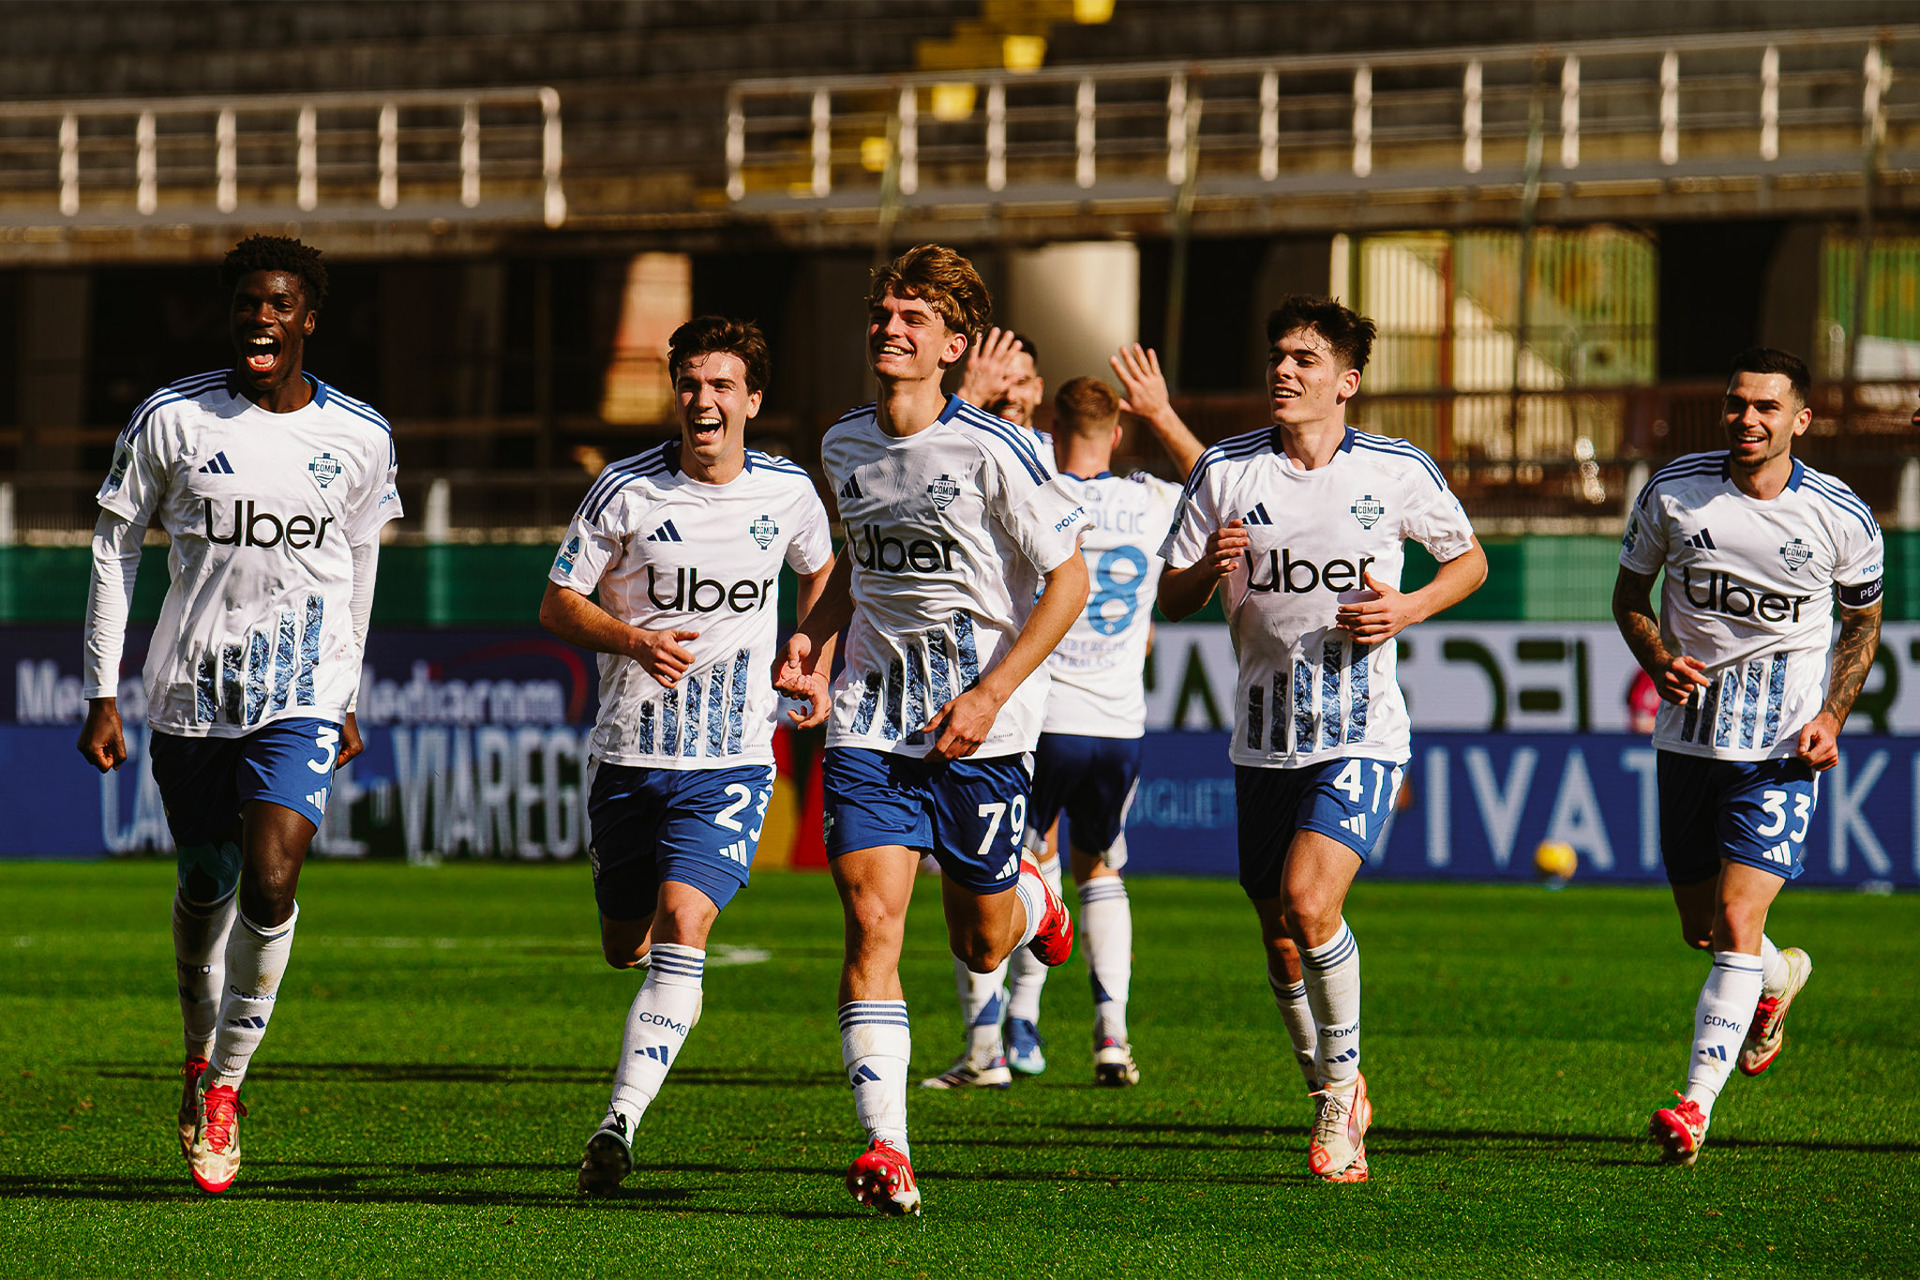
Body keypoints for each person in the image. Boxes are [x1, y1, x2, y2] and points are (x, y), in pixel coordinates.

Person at [75, 235, 401, 1194]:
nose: (262, 317)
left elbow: (363, 568)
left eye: (280, 303)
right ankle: (194, 1047)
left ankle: (225, 1086)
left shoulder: (361, 436)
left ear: (308, 317)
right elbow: (114, 548)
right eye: (248, 303)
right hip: (189, 695)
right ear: (234, 316)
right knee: (208, 885)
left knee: (272, 875)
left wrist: (346, 692)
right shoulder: (171, 419)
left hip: (299, 692)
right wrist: (103, 687)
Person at [775, 244, 1089, 1215]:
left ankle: (1035, 898)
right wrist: (811, 643)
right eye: (883, 313)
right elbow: (856, 576)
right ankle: (887, 1146)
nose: (891, 330)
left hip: (982, 728)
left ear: (953, 345)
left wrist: (991, 694)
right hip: (872, 719)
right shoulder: (842, 443)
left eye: (913, 318)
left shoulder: (997, 448)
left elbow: (1067, 582)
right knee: (872, 921)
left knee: (984, 939)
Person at [1157, 295, 1486, 1184]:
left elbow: (1470, 560)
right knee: (1279, 937)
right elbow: (1169, 597)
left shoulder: (1396, 468)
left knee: (1310, 903)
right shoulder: (1225, 470)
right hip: (1262, 739)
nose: (1284, 371)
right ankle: (1332, 1084)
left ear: (1346, 381)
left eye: (1305, 359)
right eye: (1278, 356)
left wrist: (1409, 606)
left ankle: (1340, 1106)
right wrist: (1205, 567)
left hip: (1360, 730)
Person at [539, 316, 835, 1195]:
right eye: (689, 383)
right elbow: (557, 604)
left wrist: (805, 650)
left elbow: (825, 571)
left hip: (734, 758)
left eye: (719, 386)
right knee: (623, 942)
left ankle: (617, 1123)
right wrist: (632, 640)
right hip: (629, 756)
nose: (702, 401)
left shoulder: (787, 492)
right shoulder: (624, 491)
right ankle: (636, 1038)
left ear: (751, 399)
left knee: (686, 926)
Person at [1613, 347, 1881, 1166]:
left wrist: (1832, 717)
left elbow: (1862, 626)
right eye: (1736, 405)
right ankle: (1775, 980)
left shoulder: (1841, 515)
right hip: (1689, 741)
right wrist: (1657, 659)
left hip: (1779, 747)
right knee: (1703, 928)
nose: (1747, 420)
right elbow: (1629, 598)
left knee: (1736, 918)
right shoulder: (1673, 490)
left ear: (1800, 419)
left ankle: (1693, 1107)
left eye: (1767, 407)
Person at [929, 350, 1204, 1089]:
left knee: (1000, 869)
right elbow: (1226, 486)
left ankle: (994, 1041)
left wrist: (975, 400)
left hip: (1040, 716)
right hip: (1119, 727)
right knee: (1102, 867)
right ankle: (1111, 1034)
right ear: (1118, 434)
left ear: (1053, 426)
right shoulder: (1150, 499)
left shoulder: (1037, 486)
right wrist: (1163, 413)